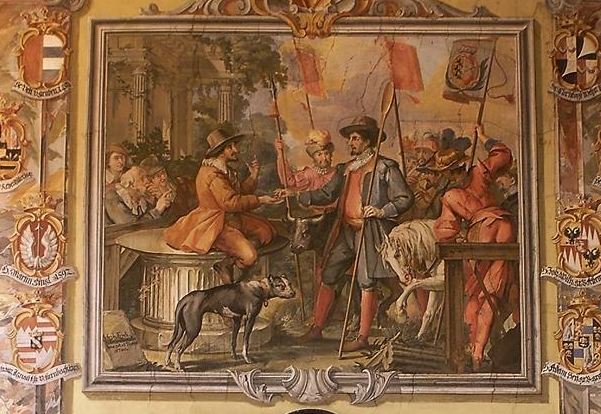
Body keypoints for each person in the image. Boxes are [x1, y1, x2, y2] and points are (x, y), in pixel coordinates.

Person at [295, 114, 414, 352]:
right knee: (329, 275)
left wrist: (382, 211)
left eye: (355, 138)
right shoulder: (346, 168)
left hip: (370, 231)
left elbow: (405, 198)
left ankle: (362, 336)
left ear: (368, 141)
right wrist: (300, 196)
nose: (350, 142)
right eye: (350, 138)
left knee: (366, 281)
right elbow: (328, 193)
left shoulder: (384, 167)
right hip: (346, 230)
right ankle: (317, 328)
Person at [434, 123, 517, 367]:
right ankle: (479, 350)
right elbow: (503, 154)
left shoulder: (451, 195)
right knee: (491, 292)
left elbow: (446, 231)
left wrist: (454, 237)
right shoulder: (482, 171)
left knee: (478, 294)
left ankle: (477, 352)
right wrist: (484, 138)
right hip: (505, 226)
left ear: (447, 173)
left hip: (482, 233)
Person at [164, 128, 284, 274]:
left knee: (265, 232)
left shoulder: (225, 171)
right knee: (250, 256)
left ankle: (229, 260)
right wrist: (260, 200)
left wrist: (254, 175)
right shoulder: (212, 174)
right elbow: (230, 202)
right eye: (230, 147)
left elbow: (238, 192)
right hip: (214, 222)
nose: (235, 150)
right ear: (220, 151)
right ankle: (227, 262)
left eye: (234, 145)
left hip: (231, 218)